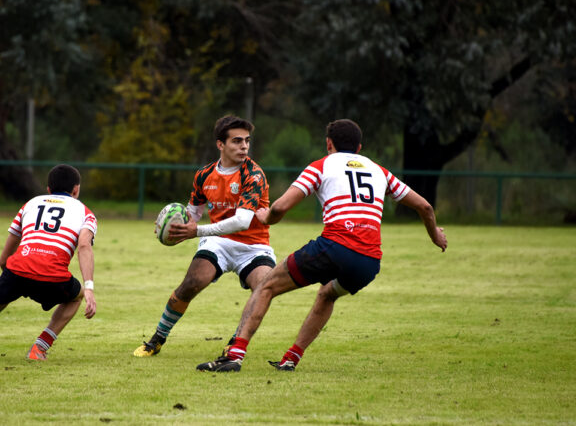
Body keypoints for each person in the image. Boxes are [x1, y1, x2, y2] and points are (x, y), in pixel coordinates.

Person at [197, 119, 447, 372]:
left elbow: (281, 207)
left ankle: (234, 356)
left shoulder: (321, 166)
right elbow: (425, 207)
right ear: (359, 147)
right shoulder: (380, 171)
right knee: (327, 294)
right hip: (369, 261)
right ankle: (291, 359)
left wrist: (267, 217)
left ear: (329, 143)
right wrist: (435, 234)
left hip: (334, 246)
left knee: (266, 286)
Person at [133, 115, 277, 357]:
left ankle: (236, 342)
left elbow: (242, 221)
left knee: (264, 287)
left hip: (254, 246)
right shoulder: (204, 175)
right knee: (192, 283)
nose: (244, 146)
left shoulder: (253, 174)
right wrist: (175, 225)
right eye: (237, 141)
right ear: (220, 145)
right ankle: (157, 339)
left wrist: (196, 231)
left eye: (247, 141)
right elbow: (193, 213)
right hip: (218, 242)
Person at [0, 164, 97, 362]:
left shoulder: (30, 204)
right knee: (77, 296)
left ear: (48, 189)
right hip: (53, 275)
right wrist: (89, 288)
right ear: (76, 190)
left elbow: (4, 259)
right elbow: (84, 246)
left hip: (17, 270)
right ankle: (39, 348)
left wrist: (13, 279)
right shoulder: (85, 213)